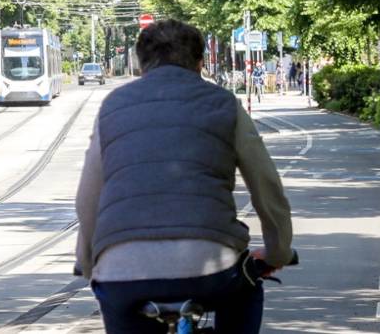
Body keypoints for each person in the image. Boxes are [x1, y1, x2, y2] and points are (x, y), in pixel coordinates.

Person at [76, 20, 294, 333]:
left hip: (122, 274)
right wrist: (277, 252)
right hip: (212, 269)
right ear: (200, 63)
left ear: (139, 64)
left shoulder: (112, 106)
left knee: (116, 300)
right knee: (246, 289)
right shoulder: (224, 105)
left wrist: (87, 263)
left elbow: (88, 199)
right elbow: (267, 188)